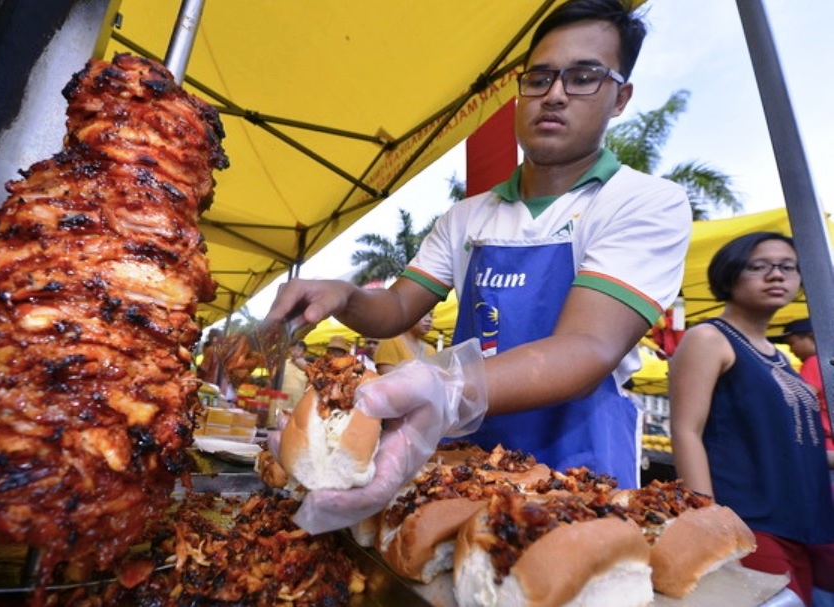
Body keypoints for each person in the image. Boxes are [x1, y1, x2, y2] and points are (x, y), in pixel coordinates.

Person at [266, 0, 692, 534]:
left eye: (583, 78)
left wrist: (441, 387)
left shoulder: (643, 202)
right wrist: (346, 296)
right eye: (539, 78)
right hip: (464, 457)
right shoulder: (467, 216)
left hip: (579, 463)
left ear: (620, 97)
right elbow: (397, 308)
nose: (555, 94)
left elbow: (587, 347)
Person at [668, 232, 834, 605]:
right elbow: (686, 430)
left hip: (803, 527)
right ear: (729, 273)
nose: (777, 275)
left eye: (788, 267)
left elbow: (786, 444)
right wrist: (709, 522)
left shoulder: (779, 357)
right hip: (748, 524)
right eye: (759, 266)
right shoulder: (710, 338)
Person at [773, 318, 834, 473]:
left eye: (792, 343)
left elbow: (801, 398)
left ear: (811, 336)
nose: (791, 350)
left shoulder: (814, 361)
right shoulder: (827, 361)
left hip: (826, 442)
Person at [280, 339, 310, 410]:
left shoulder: (308, 367)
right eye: (293, 349)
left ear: (304, 352)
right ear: (289, 350)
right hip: (282, 402)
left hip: (298, 403)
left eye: (299, 350)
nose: (295, 352)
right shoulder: (283, 364)